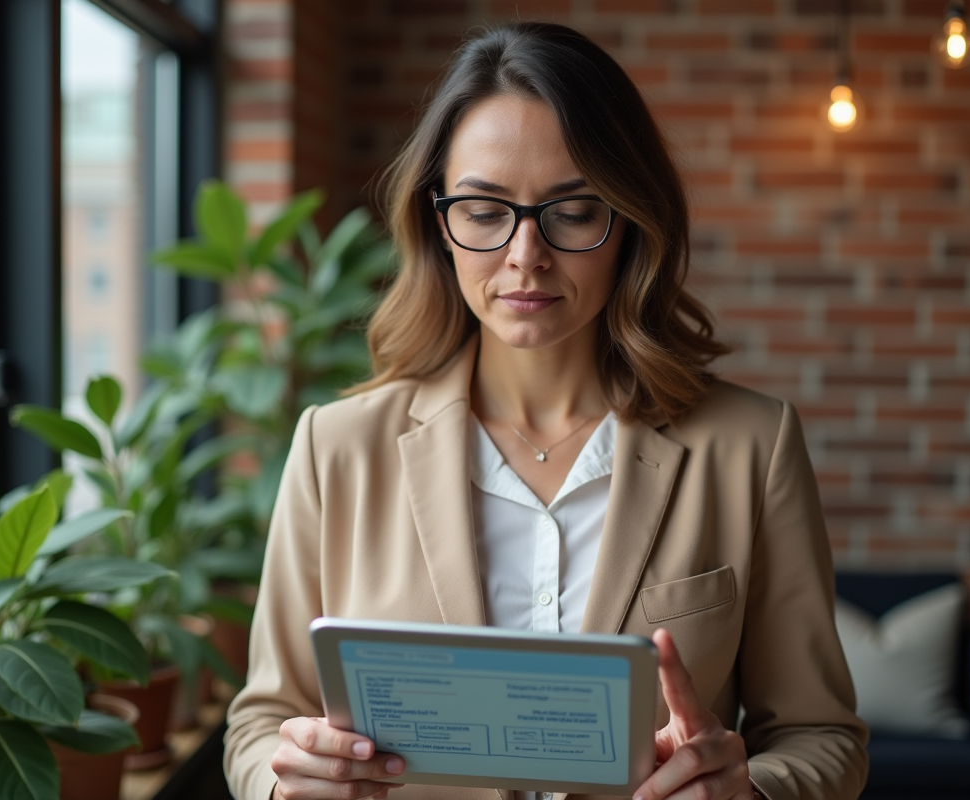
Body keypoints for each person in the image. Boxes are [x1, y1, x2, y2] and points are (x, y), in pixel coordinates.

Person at [224, 21, 868, 800]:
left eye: (572, 210)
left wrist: (750, 792)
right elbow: (262, 725)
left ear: (629, 221)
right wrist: (283, 782)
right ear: (440, 222)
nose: (526, 254)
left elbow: (820, 736)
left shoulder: (750, 447)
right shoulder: (337, 447)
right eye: (486, 210)